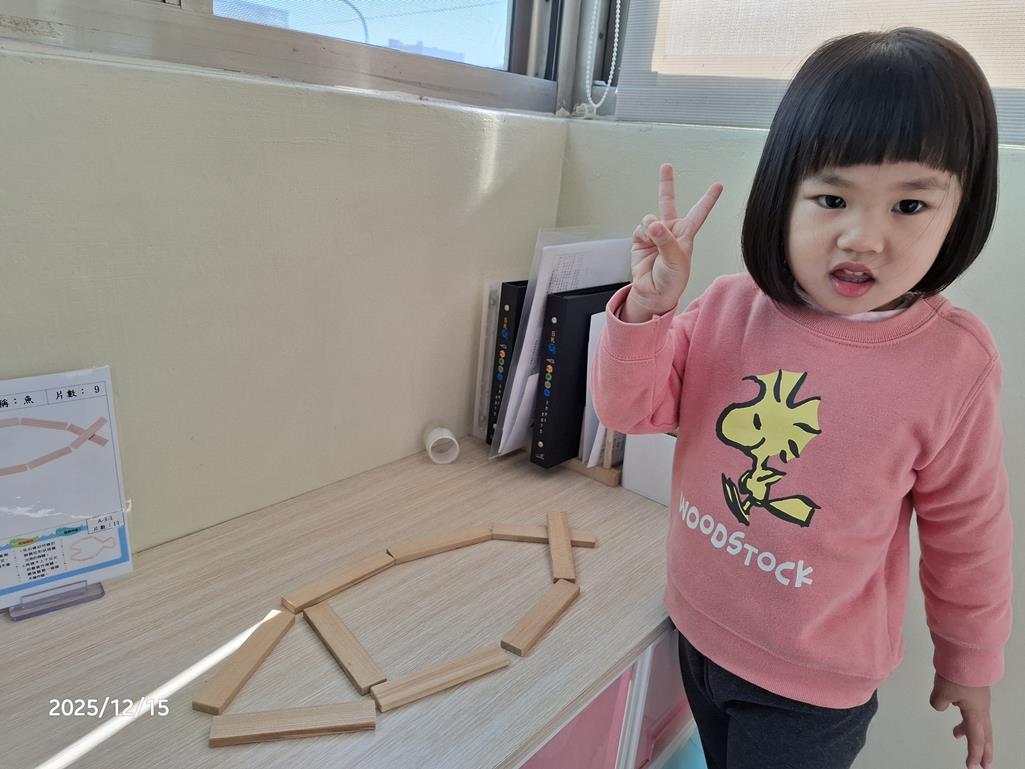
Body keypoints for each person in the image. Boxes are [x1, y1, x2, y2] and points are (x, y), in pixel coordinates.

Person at [590, 26, 1011, 769]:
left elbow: (968, 533)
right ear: (782, 193)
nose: (863, 237)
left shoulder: (953, 363)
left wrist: (968, 660)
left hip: (811, 690)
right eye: (831, 197)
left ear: (961, 210)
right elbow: (631, 411)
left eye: (910, 205)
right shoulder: (729, 306)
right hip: (695, 627)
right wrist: (648, 310)